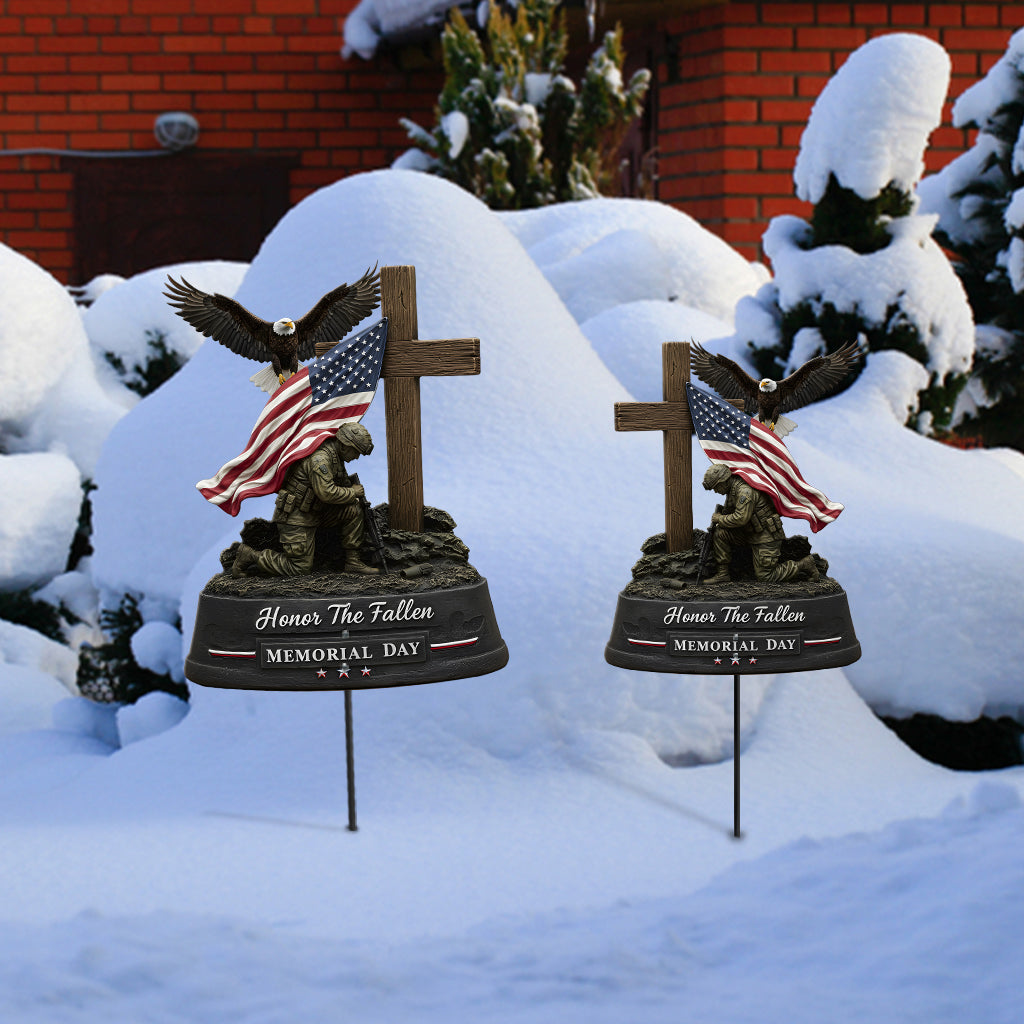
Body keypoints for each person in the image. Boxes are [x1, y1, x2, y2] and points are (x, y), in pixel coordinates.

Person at [231, 422, 380, 577]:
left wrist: (352, 493)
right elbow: (326, 493)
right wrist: (352, 492)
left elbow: (340, 484)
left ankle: (353, 562)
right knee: (299, 569)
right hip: (296, 516)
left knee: (353, 510)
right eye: (355, 452)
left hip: (316, 512)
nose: (356, 457)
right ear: (344, 446)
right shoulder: (321, 459)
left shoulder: (336, 458)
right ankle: (249, 556)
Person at [701, 463, 818, 584]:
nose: (715, 491)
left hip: (766, 535)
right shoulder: (732, 491)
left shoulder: (744, 491)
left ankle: (803, 564)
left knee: (766, 576)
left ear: (724, 482)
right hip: (749, 533)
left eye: (716, 487)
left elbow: (741, 518)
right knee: (721, 533)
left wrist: (719, 519)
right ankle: (723, 574)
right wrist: (721, 519)